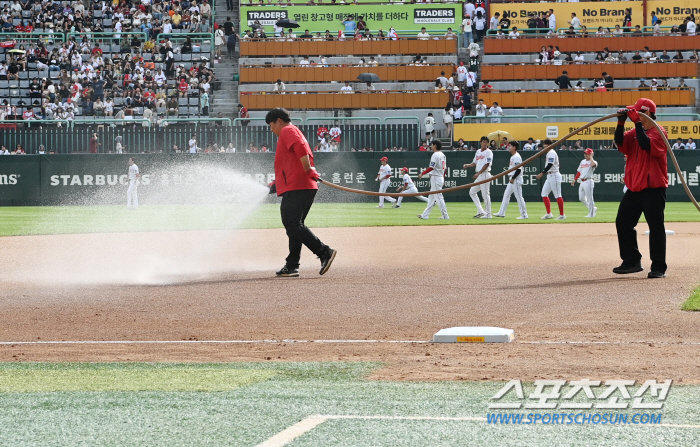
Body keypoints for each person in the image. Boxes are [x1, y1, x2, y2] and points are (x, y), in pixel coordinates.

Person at [265, 108, 337, 277]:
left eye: (271, 125)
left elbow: (301, 147)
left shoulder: (288, 130)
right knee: (295, 226)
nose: (271, 129)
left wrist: (308, 169)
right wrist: (278, 182)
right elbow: (290, 161)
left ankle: (324, 251)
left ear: (279, 121)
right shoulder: (289, 131)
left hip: (298, 186)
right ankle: (292, 265)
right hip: (298, 185)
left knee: (292, 223)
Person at [613, 99, 668, 278]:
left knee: (656, 227)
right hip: (634, 188)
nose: (634, 114)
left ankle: (658, 267)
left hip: (653, 188)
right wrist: (621, 123)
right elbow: (620, 143)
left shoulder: (659, 132)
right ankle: (632, 261)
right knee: (623, 222)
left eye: (637, 112)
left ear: (648, 113)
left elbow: (646, 145)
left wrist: (636, 122)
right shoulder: (634, 132)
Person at [494, 141, 528, 219]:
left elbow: (518, 169)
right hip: (512, 179)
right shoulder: (513, 156)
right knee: (506, 195)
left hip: (516, 179)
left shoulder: (516, 157)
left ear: (514, 147)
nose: (508, 147)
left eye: (510, 146)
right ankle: (501, 213)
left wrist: (513, 178)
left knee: (519, 197)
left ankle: (524, 214)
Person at [417, 140, 449, 220]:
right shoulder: (442, 155)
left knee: (439, 197)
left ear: (435, 145)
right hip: (439, 177)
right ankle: (425, 215)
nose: (431, 146)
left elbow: (431, 167)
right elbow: (444, 168)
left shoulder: (435, 154)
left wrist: (422, 173)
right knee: (431, 198)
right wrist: (443, 178)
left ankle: (445, 216)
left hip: (436, 177)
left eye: (432, 145)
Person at [463, 136, 493, 218]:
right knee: (472, 192)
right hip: (479, 175)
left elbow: (487, 164)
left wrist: (479, 173)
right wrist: (468, 165)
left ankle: (488, 214)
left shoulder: (489, 152)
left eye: (486, 142)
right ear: (480, 142)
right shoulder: (478, 151)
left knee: (485, 195)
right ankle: (481, 211)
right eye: (483, 142)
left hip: (485, 174)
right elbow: (475, 162)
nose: (485, 144)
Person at [536, 141, 566, 220]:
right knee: (544, 194)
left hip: (554, 175)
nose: (544, 146)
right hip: (550, 176)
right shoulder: (549, 153)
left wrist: (542, 173)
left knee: (558, 195)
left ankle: (562, 215)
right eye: (544, 144)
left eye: (545, 144)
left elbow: (550, 164)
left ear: (549, 145)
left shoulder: (552, 152)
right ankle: (549, 214)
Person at [571, 148, 598, 218]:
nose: (585, 155)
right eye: (585, 153)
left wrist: (591, 157)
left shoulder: (594, 162)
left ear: (591, 154)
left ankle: (591, 214)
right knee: (581, 198)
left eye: (587, 153)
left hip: (588, 181)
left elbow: (593, 165)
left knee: (590, 198)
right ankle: (593, 208)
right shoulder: (582, 161)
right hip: (582, 181)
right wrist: (575, 179)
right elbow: (579, 171)